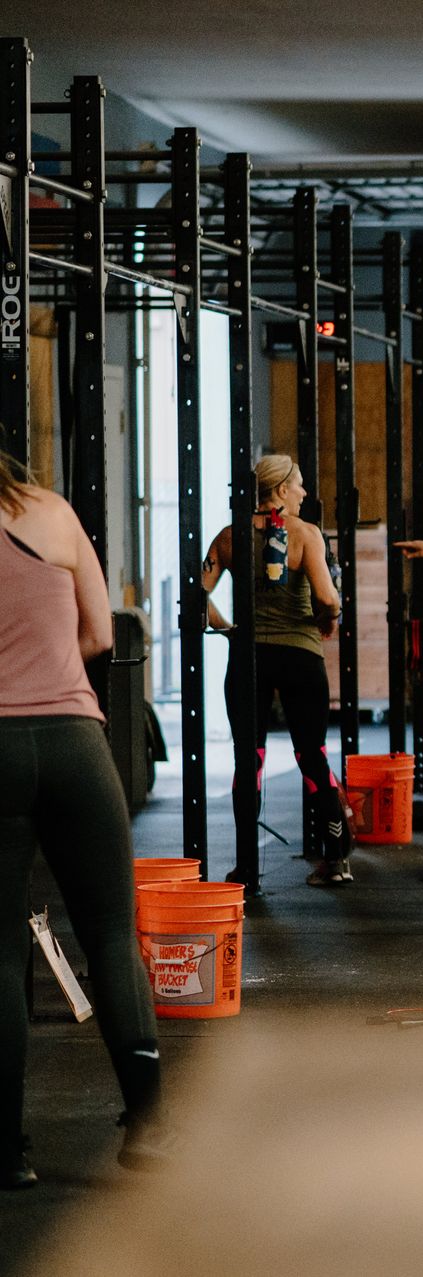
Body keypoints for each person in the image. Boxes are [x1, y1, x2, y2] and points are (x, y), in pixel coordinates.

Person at [0, 450, 168, 1189]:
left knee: (1, 952)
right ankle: (151, 1126)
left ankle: (7, 1152)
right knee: (109, 931)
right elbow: (102, 635)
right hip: (74, 741)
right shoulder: (54, 513)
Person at [202, 455, 351, 886]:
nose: (305, 493)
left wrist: (227, 628)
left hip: (250, 659)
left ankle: (246, 868)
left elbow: (198, 595)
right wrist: (329, 619)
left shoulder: (229, 537)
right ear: (281, 490)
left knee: (249, 760)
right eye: (300, 485)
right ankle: (336, 860)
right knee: (311, 755)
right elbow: (328, 598)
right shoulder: (306, 535)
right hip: (301, 657)